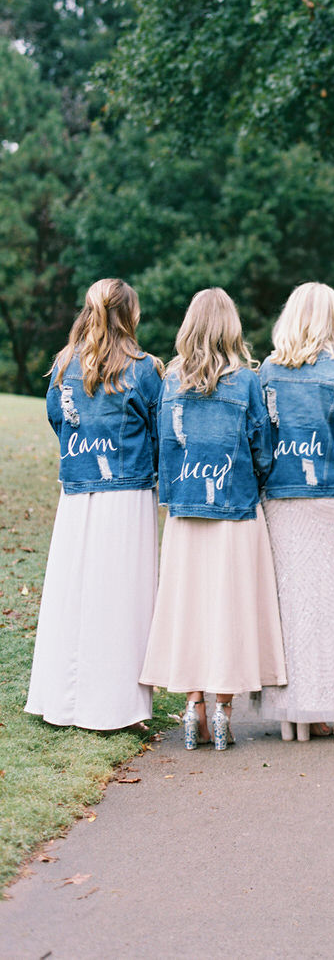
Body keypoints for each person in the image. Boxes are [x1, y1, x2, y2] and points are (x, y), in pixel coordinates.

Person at [140, 288, 285, 751]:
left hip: (185, 511)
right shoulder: (246, 381)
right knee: (230, 610)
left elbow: (165, 447)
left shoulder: (170, 380)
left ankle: (193, 707)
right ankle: (224, 711)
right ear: (231, 328)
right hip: (236, 511)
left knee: (189, 610)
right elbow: (262, 448)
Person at [26, 279, 162, 733]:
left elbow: (56, 419)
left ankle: (61, 700)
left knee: (73, 592)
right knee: (120, 596)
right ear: (130, 314)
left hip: (77, 488)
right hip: (126, 493)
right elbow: (157, 427)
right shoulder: (143, 369)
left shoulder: (64, 364)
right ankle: (114, 706)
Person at [256, 282, 334, 741]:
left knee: (289, 608)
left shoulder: (266, 370)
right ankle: (324, 706)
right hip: (332, 496)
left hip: (280, 497)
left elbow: (259, 439)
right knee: (329, 609)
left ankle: (288, 714)